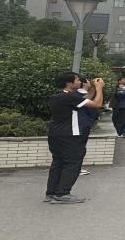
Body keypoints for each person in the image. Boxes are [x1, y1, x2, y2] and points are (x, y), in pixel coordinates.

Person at [45, 73, 104, 204]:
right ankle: (62, 193)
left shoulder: (58, 97)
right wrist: (99, 88)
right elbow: (97, 104)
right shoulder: (69, 97)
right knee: (73, 163)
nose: (79, 82)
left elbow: (83, 101)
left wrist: (92, 90)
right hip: (69, 136)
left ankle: (51, 193)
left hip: (56, 135)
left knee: (58, 163)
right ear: (69, 83)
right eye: (77, 80)